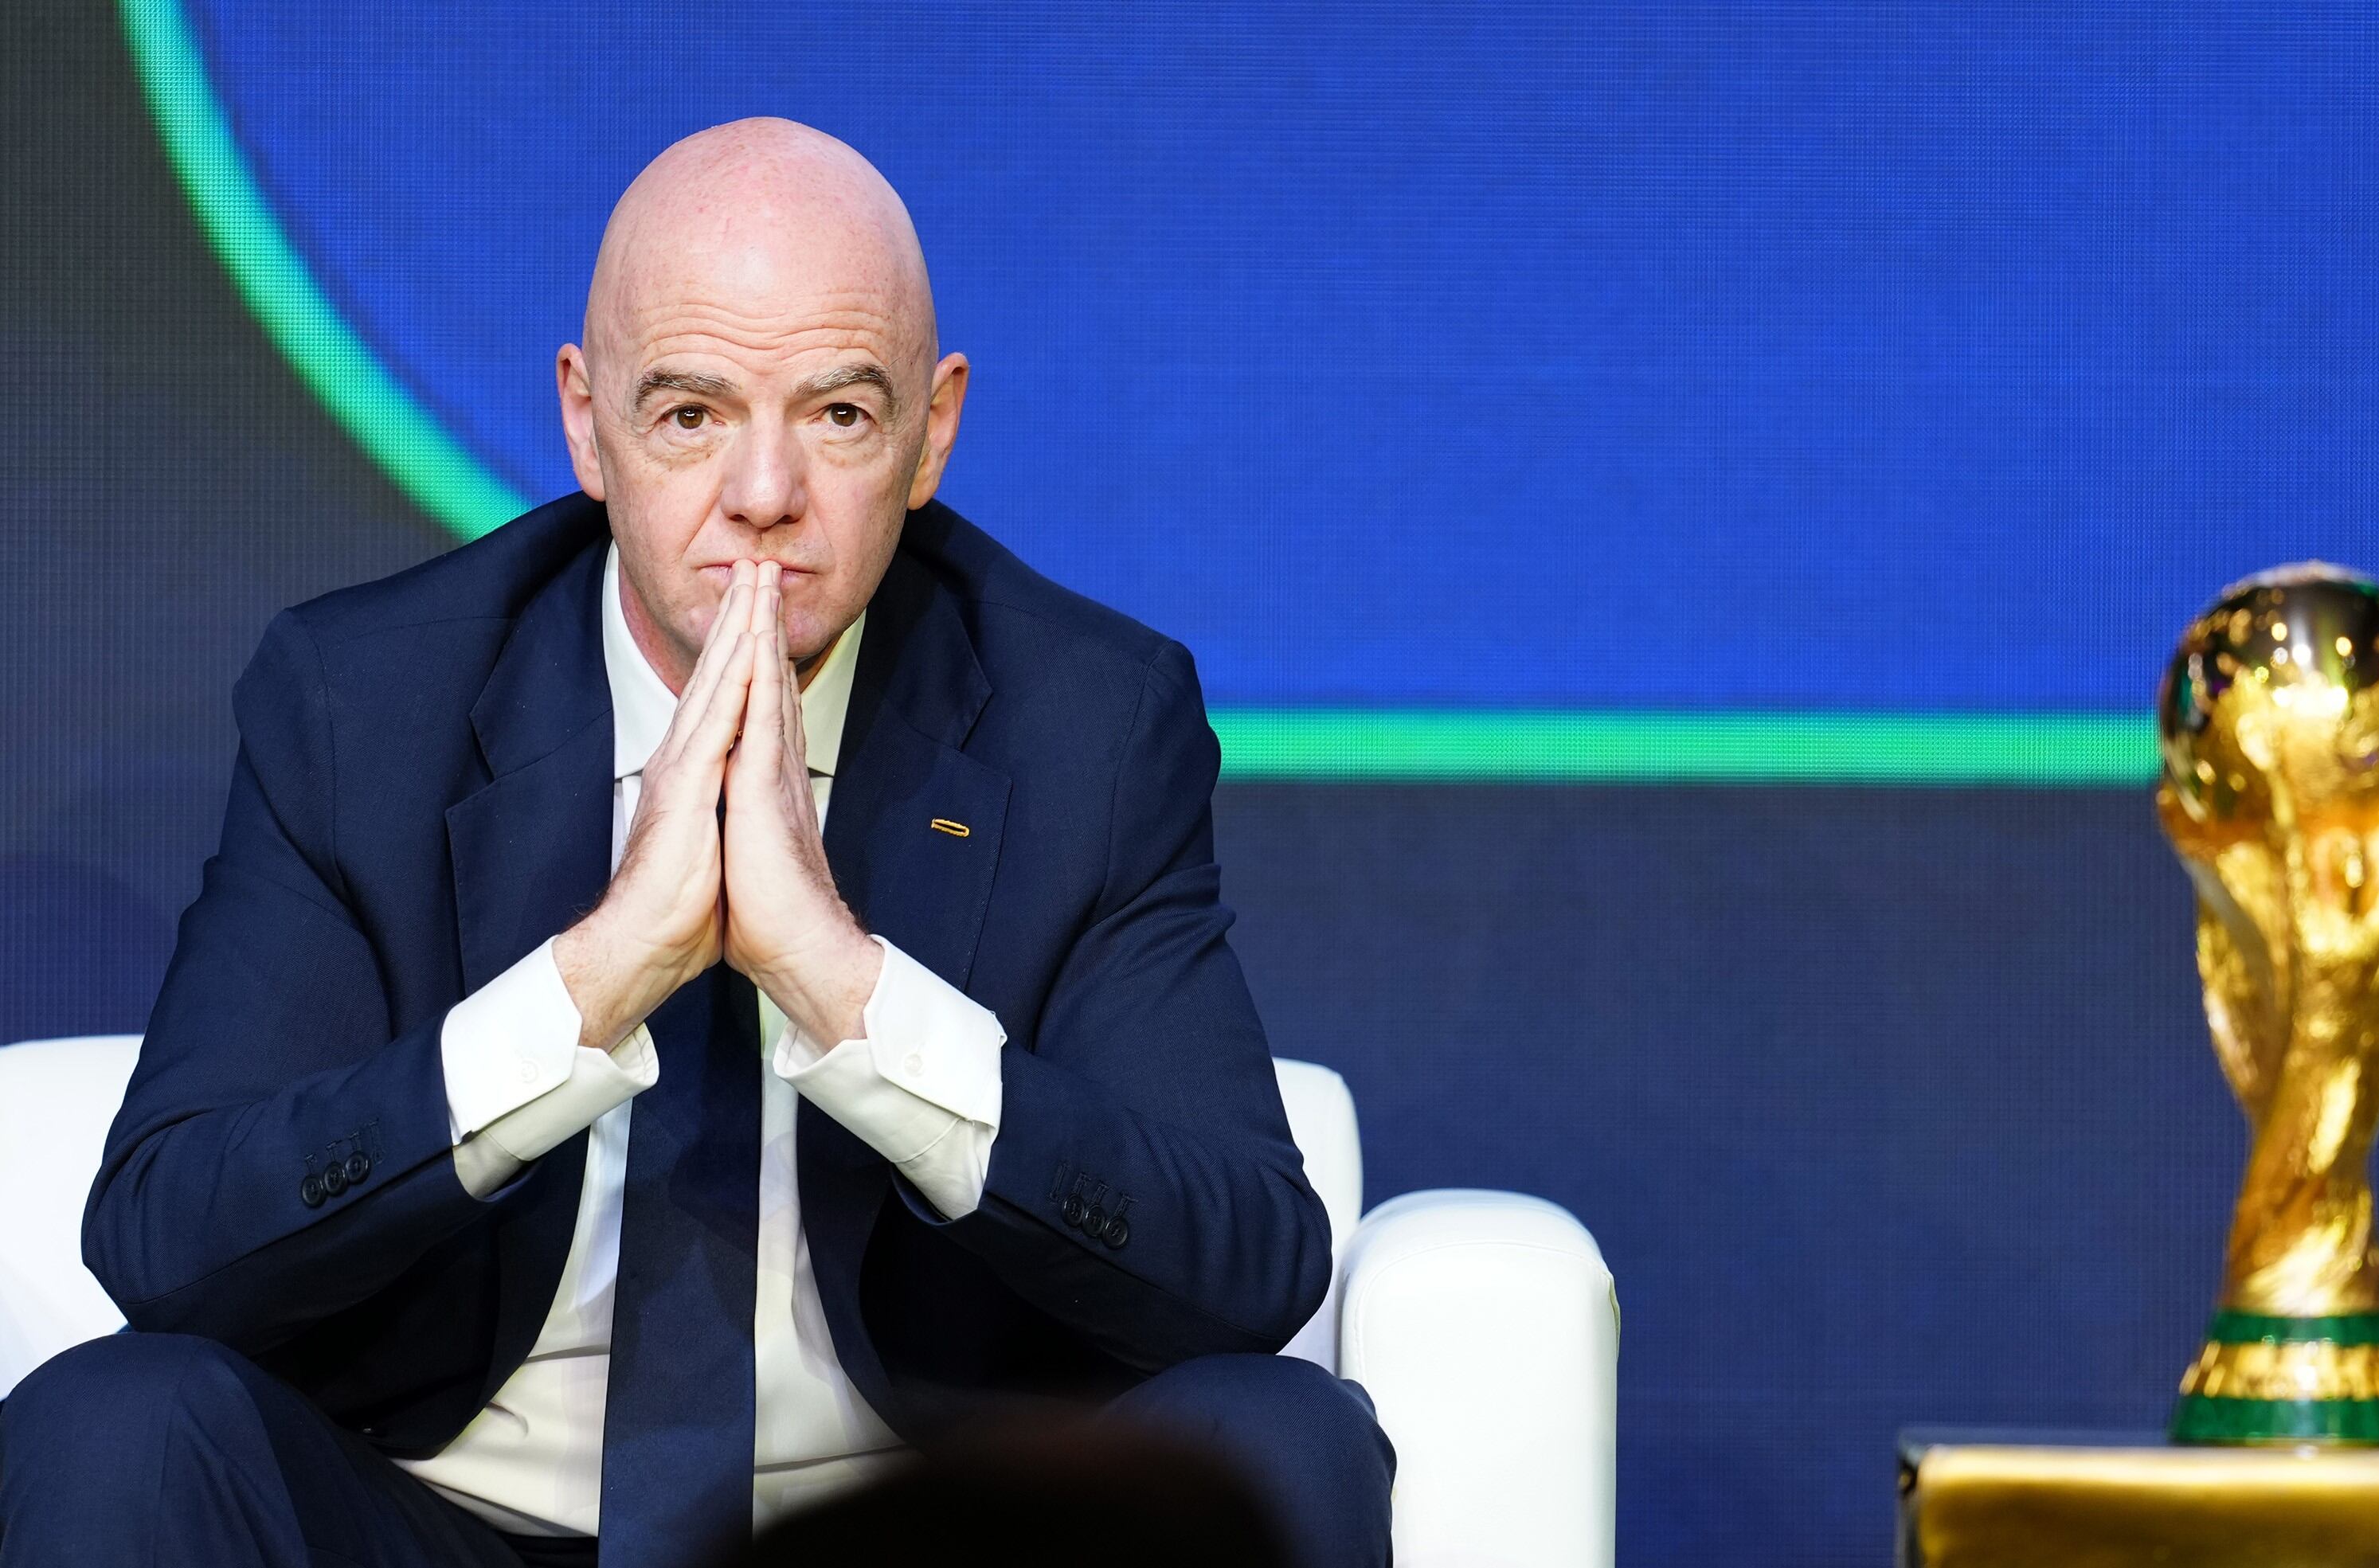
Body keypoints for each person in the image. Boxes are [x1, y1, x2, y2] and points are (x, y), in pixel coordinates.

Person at [0, 118, 1392, 1568]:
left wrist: (851, 993)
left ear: (936, 429)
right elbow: (169, 1240)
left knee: (1281, 1439)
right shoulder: (364, 705)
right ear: (585, 423)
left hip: (910, 1522)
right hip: (449, 1519)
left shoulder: (1087, 727)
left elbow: (1247, 1264)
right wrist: (592, 982)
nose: (765, 493)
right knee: (116, 1424)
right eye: (691, 415)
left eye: (842, 415)